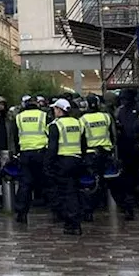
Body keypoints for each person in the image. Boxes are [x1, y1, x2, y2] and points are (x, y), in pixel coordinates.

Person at [81, 94, 134, 221]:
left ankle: (88, 213)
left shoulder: (82, 119)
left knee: (93, 186)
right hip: (107, 154)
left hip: (91, 155)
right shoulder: (106, 116)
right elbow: (113, 136)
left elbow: (82, 139)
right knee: (115, 184)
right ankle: (127, 209)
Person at [46, 99, 86, 235]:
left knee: (67, 193)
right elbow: (84, 143)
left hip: (62, 161)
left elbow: (52, 147)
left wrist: (48, 165)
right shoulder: (77, 122)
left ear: (58, 110)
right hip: (77, 159)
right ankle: (76, 220)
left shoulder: (55, 125)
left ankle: (72, 223)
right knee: (75, 191)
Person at [13, 96, 48, 224]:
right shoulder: (43, 115)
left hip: (25, 153)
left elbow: (15, 136)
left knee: (24, 184)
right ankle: (57, 211)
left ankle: (21, 213)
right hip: (41, 153)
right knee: (47, 182)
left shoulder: (19, 117)